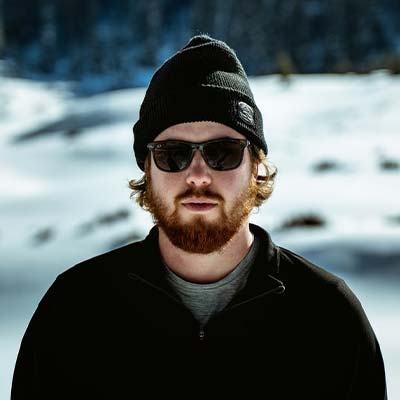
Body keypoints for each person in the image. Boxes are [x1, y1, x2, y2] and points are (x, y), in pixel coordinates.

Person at [12, 34, 387, 399]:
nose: (197, 175)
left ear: (255, 167)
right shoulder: (74, 311)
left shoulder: (329, 317)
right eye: (173, 154)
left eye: (223, 152)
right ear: (147, 169)